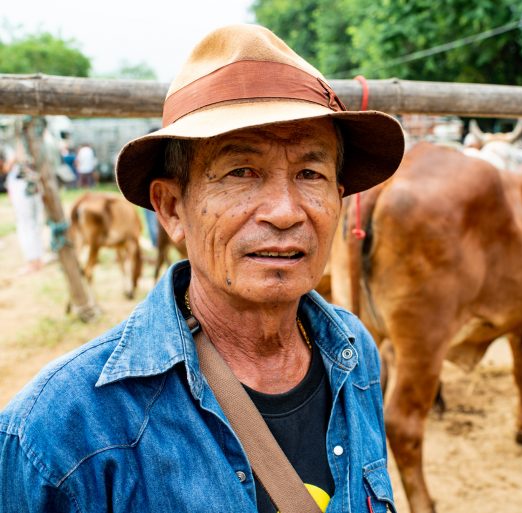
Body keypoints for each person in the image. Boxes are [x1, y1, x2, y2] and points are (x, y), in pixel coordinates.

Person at [0, 24, 404, 513]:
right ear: (172, 209)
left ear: (338, 200)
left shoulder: (354, 352)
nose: (285, 211)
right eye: (241, 172)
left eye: (310, 173)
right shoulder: (59, 431)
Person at [0, 142, 45, 274]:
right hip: (23, 184)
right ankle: (34, 260)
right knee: (28, 224)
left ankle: (35, 261)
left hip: (29, 183)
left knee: (30, 225)